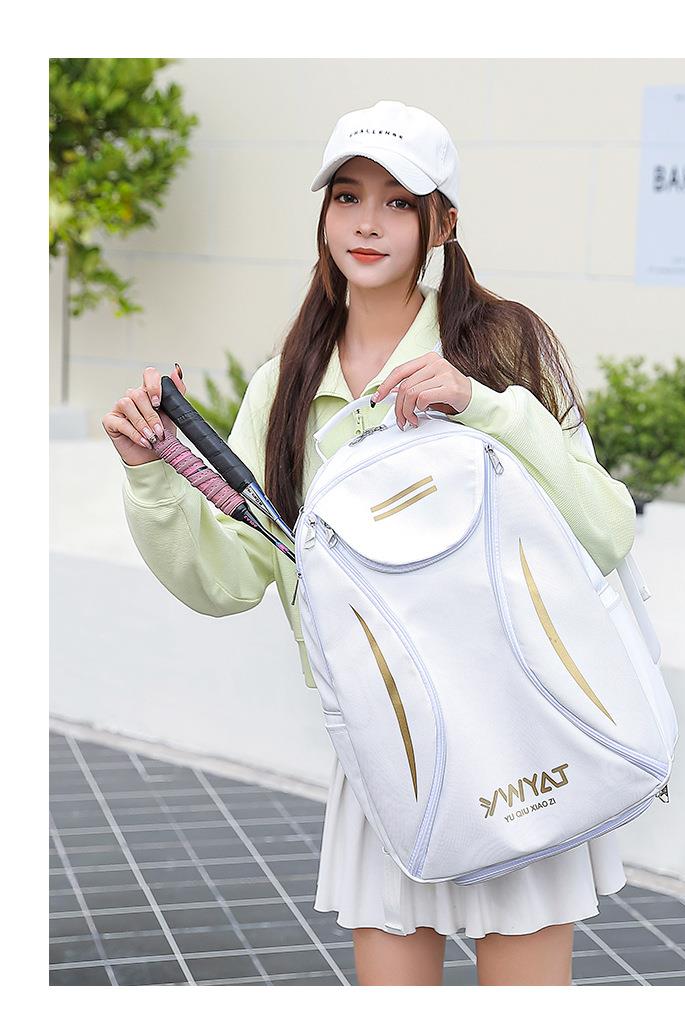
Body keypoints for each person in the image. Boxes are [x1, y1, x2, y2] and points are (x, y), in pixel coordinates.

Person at [102, 99, 636, 986]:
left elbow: (606, 529)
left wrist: (483, 405)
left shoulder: (504, 346)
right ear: (323, 216)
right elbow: (232, 577)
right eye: (347, 197)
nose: (367, 223)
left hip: (519, 721)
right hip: (388, 741)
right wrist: (151, 476)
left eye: (398, 202)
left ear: (443, 223)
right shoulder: (286, 384)